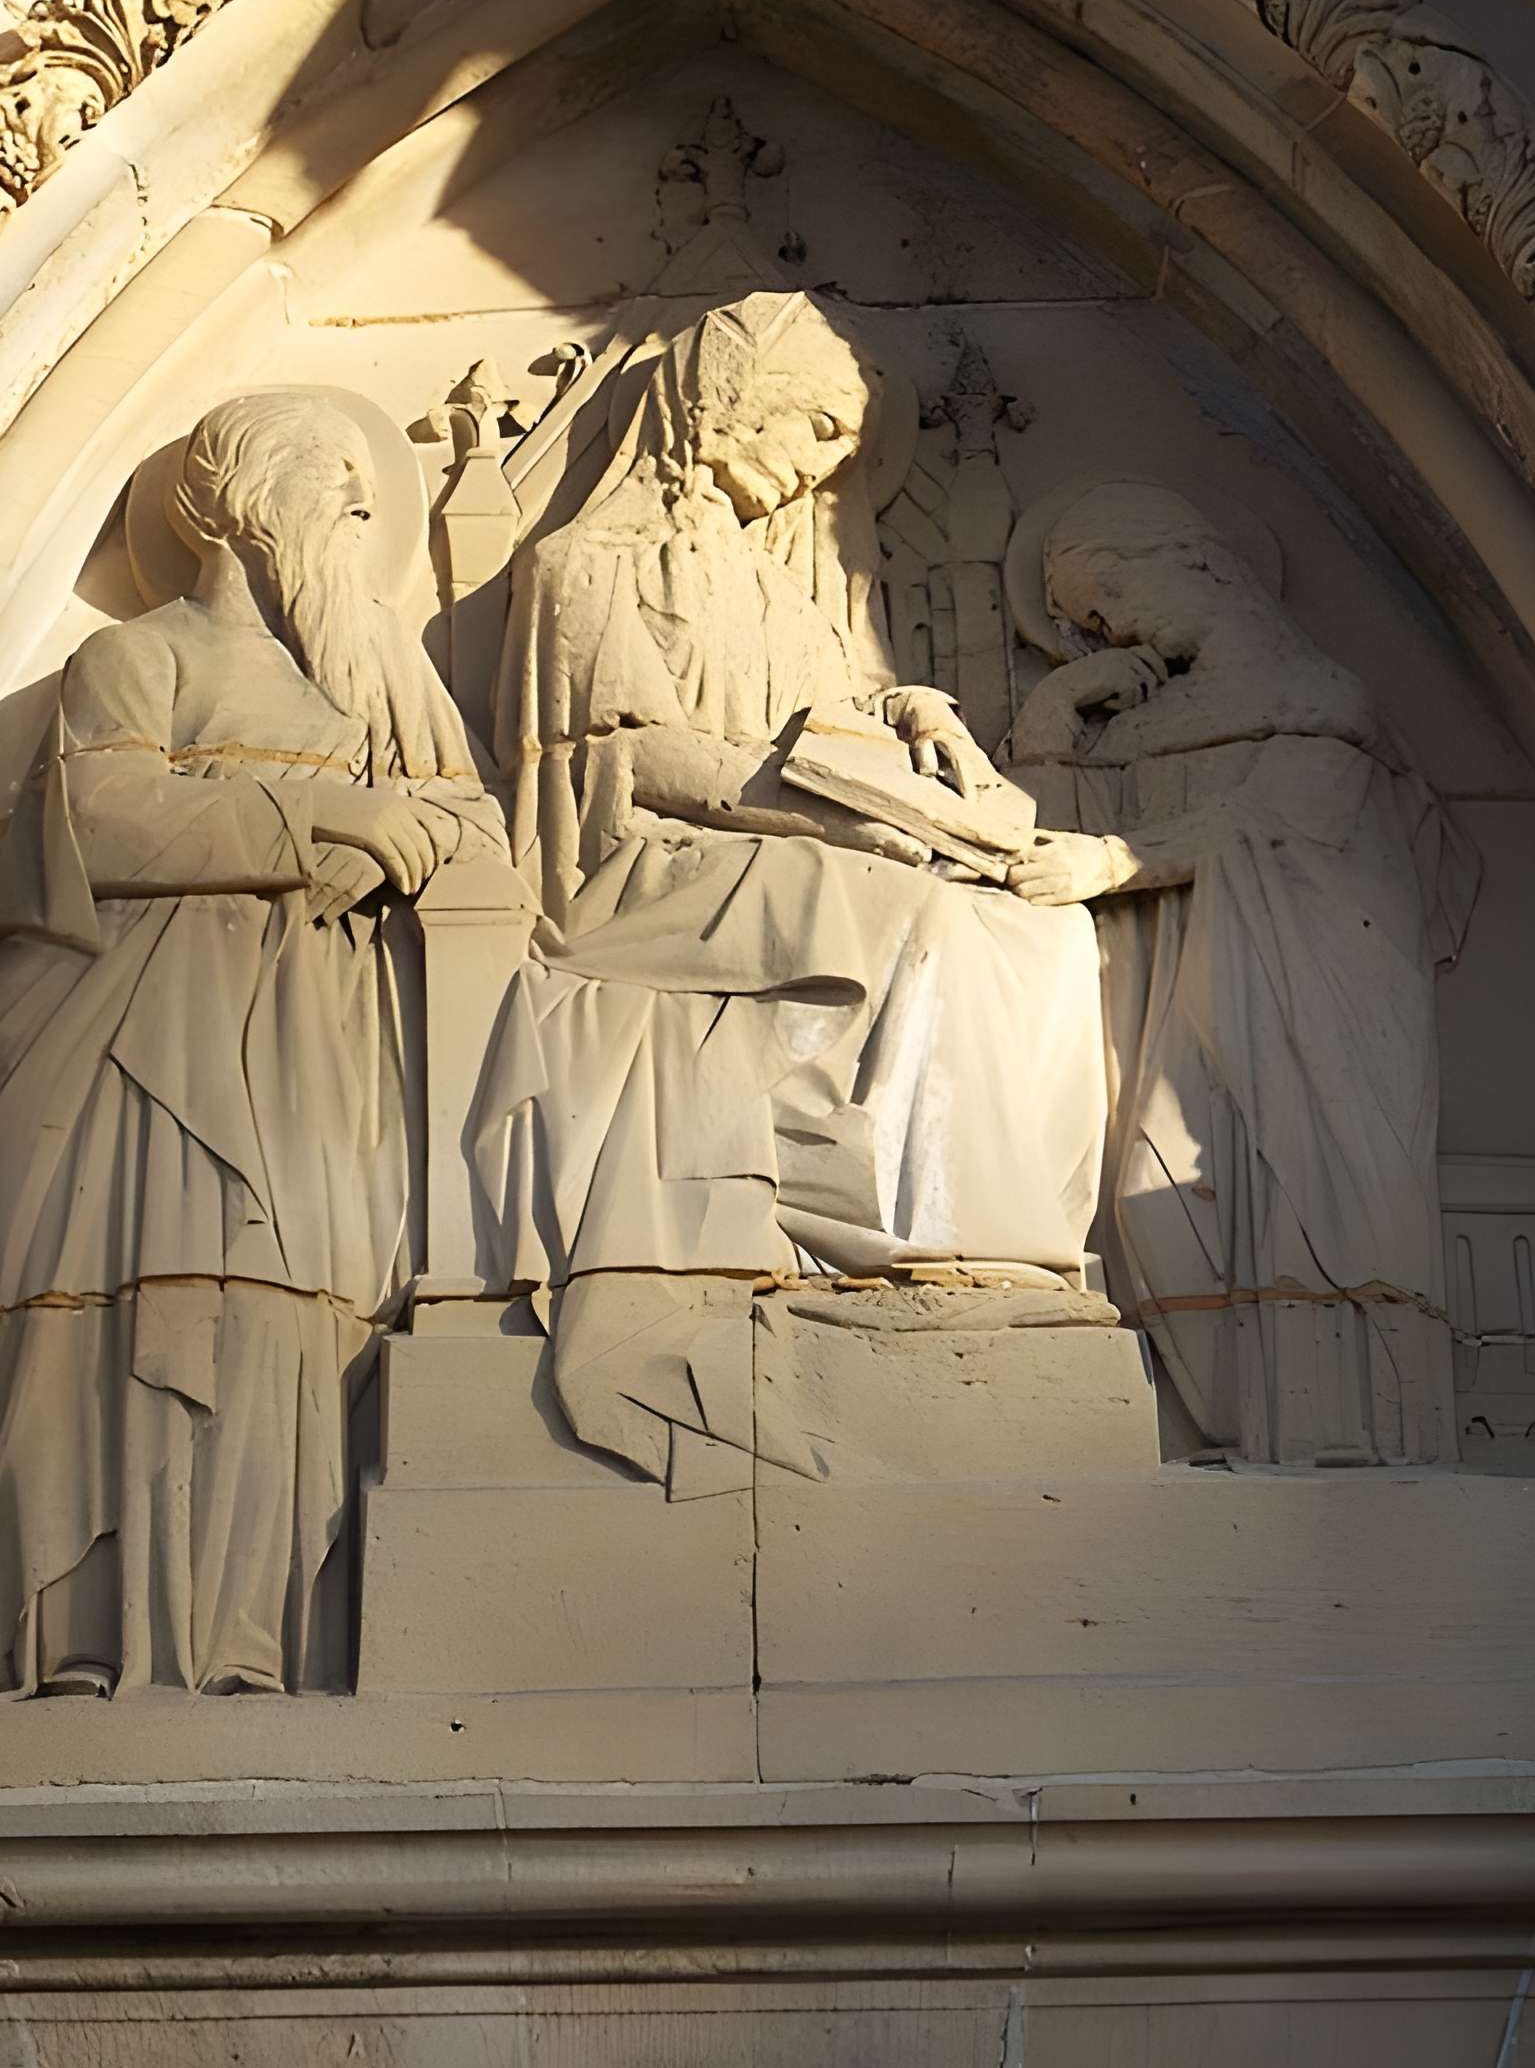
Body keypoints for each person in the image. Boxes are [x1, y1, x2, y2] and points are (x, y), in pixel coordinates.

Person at [476, 293, 1114, 1480]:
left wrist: (909, 718)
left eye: (843, 443)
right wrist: (828, 809)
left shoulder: (787, 590)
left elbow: (841, 713)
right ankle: (919, 1239)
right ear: (725, 402)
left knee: (1041, 930)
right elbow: (625, 759)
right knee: (920, 918)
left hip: (797, 848)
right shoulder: (586, 565)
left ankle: (1005, 1245)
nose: (824, 464)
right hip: (646, 874)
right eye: (814, 426)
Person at [0, 389, 501, 1695]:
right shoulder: (139, 661)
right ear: (248, 496)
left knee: (277, 1328)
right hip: (128, 1055)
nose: (368, 510)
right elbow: (111, 822)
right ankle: (87, 1645)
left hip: (305, 1053)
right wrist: (322, 819)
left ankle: (248, 1643)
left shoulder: (380, 685)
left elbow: (475, 831)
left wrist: (401, 829)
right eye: (339, 478)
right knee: (118, 1316)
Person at [1004, 476, 1479, 1464]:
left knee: (1267, 1198)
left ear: (1188, 561)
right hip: (1176, 1003)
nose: (1108, 628)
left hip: (1304, 997)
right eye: (1089, 620)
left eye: (1112, 599)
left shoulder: (1316, 695)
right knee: (1156, 1204)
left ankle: (1330, 1437)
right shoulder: (1131, 726)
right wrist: (1052, 714)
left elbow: (1270, 822)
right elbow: (1040, 843)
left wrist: (1111, 861)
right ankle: (1224, 1430)